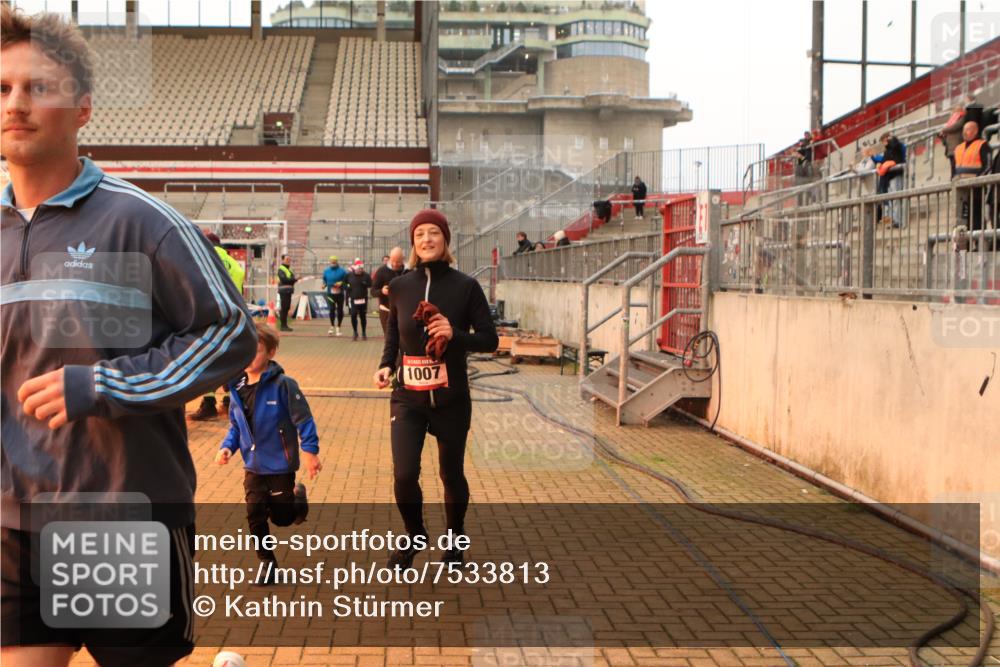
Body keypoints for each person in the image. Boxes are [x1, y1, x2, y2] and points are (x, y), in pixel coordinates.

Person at [0, 7, 257, 666]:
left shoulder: (143, 222)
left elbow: (230, 334)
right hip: (10, 523)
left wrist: (102, 384)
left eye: (40, 87)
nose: (17, 104)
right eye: (3, 89)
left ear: (83, 108)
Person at [373, 209, 498, 570]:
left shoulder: (465, 286)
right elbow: (394, 336)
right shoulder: (399, 287)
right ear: (413, 243)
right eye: (420, 234)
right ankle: (414, 533)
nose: (427, 239)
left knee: (451, 474)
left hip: (451, 399)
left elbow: (490, 339)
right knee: (404, 474)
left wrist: (453, 334)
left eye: (434, 233)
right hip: (408, 397)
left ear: (445, 240)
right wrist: (385, 365)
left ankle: (455, 540)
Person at [215, 322, 321, 582]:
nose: (251, 357)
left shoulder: (284, 385)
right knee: (255, 513)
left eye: (258, 350)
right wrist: (227, 447)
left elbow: (304, 420)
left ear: (271, 353)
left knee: (283, 518)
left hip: (280, 464)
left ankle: (297, 502)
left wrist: (310, 452)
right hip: (252, 465)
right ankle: (267, 562)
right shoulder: (236, 388)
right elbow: (236, 426)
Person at [191, 231, 247, 421]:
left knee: (209, 360)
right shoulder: (234, 265)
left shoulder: (206, 259)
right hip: (236, 316)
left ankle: (209, 403)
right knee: (231, 359)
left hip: (213, 316)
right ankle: (231, 400)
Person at [950, 121, 993, 235]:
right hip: (961, 189)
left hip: (976, 188)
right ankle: (965, 245)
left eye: (968, 130)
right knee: (962, 218)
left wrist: (977, 180)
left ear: (975, 131)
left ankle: (978, 244)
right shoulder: (958, 148)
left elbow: (988, 166)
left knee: (976, 216)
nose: (965, 132)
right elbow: (954, 167)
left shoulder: (983, 145)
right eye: (964, 130)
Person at [865, 132, 906, 225]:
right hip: (889, 177)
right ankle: (894, 219)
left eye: (884, 141)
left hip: (896, 174)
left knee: (896, 199)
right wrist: (875, 158)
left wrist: (891, 138)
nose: (884, 144)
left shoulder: (897, 145)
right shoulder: (887, 150)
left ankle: (898, 220)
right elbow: (884, 160)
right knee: (891, 199)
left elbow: (897, 148)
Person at [372, 247, 407, 336]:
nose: (395, 264)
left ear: (403, 259)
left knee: (404, 339)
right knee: (390, 339)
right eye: (393, 261)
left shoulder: (408, 271)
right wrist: (382, 291)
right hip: (386, 311)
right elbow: (373, 291)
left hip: (404, 310)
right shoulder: (382, 271)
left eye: (398, 261)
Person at [345, 259, 372, 341]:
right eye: (358, 269)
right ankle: (355, 332)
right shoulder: (349, 275)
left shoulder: (366, 275)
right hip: (353, 299)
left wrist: (366, 284)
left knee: (363, 316)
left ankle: (363, 332)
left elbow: (371, 284)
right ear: (355, 269)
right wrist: (347, 286)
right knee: (353, 315)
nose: (360, 271)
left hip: (363, 299)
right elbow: (344, 283)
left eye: (361, 269)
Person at [322, 255, 348, 336]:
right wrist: (324, 284)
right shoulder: (326, 271)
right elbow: (324, 280)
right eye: (331, 261)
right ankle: (332, 326)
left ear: (337, 262)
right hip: (330, 294)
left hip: (340, 294)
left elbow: (347, 281)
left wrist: (341, 283)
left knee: (340, 310)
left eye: (334, 261)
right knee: (332, 309)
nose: (333, 263)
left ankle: (339, 327)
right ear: (329, 262)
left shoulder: (342, 271)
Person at [276, 253, 296, 332]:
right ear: (283, 260)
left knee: (286, 307)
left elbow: (291, 279)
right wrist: (293, 280)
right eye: (287, 259)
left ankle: (285, 325)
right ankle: (283, 325)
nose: (289, 261)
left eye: (289, 259)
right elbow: (285, 280)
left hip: (288, 291)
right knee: (284, 308)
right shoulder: (281, 269)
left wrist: (293, 280)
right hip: (284, 291)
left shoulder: (288, 270)